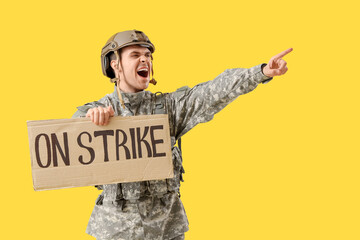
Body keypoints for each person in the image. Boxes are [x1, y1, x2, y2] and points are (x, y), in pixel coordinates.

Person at [72, 30, 292, 240]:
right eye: (135, 55)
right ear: (115, 65)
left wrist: (259, 72)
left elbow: (213, 91)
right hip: (116, 231)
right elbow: (65, 142)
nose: (145, 60)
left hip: (167, 229)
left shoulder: (169, 107)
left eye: (148, 55)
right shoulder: (95, 111)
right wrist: (89, 122)